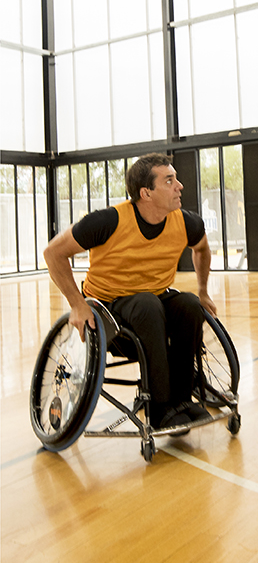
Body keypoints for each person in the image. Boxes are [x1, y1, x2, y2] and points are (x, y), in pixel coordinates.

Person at [43, 153, 216, 432]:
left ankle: (182, 400)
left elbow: (202, 249)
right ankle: (159, 409)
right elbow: (53, 253)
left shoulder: (186, 223)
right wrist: (77, 304)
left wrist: (203, 291)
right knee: (147, 305)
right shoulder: (107, 221)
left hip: (153, 301)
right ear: (146, 193)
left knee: (189, 305)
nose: (179, 186)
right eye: (169, 181)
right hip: (110, 309)